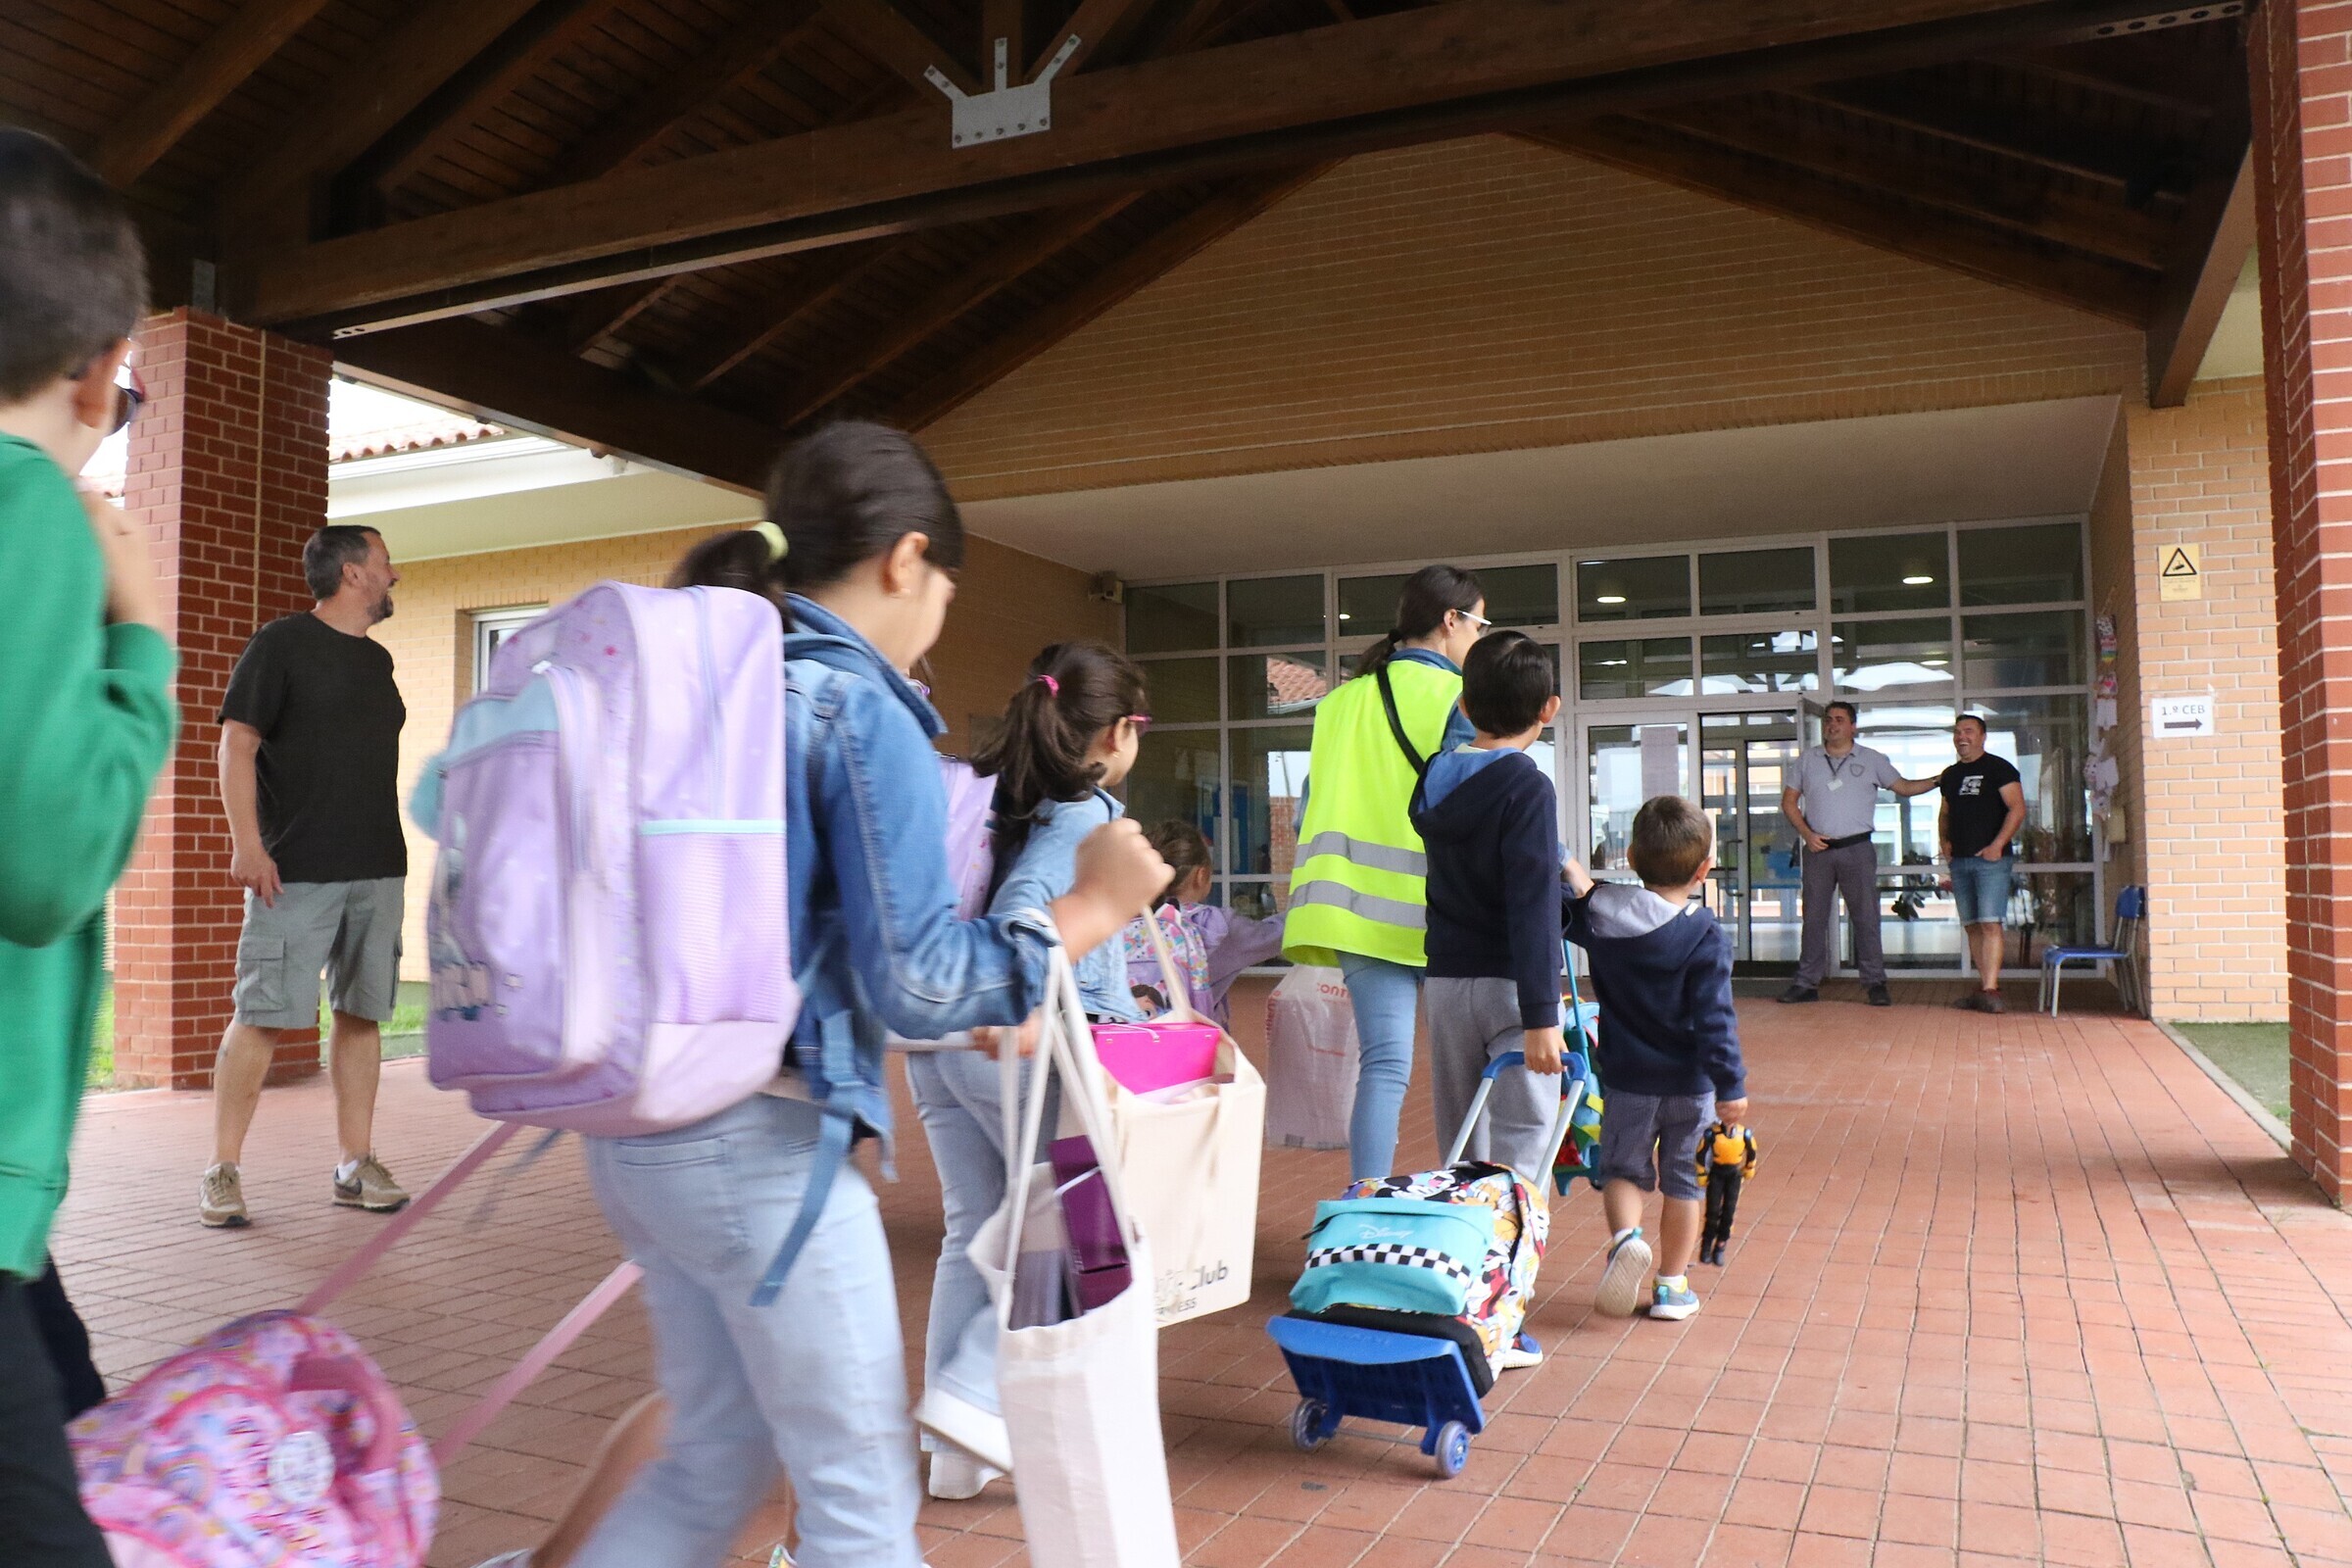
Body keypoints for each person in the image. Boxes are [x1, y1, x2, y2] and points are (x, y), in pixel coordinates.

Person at [564, 424, 1167, 1568]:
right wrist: (1092, 909)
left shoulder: (725, 679)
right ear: (906, 558)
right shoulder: (857, 705)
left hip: (636, 1123)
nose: (938, 612)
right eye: (946, 587)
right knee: (859, 1505)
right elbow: (921, 979)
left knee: (708, 1467)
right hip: (763, 1142)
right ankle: (956, 1413)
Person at [0, 126, 179, 1568]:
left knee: (72, 1410)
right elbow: (45, 860)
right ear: (101, 368)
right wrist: (140, 642)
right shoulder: (31, 513)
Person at [908, 639, 1149, 1500]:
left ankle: (954, 1455)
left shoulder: (1009, 798)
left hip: (944, 1048)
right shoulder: (1082, 816)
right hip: (1024, 1050)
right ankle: (977, 1396)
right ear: (1118, 732)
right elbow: (1021, 919)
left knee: (976, 1229)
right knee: (1082, 1230)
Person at [200, 522, 411, 1227]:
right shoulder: (281, 644)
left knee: (362, 1014)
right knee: (262, 1015)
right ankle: (222, 1170)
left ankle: (356, 1163)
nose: (394, 575)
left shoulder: (377, 662)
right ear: (353, 572)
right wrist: (246, 844)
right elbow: (236, 744)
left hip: (377, 867)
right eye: (385, 563)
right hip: (294, 871)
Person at [1284, 564, 1486, 1179]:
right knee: (1468, 1071)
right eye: (1479, 625)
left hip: (1352, 914)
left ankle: (1364, 1200)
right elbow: (1472, 803)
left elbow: (1306, 812)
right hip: (1442, 914)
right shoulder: (1460, 696)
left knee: (1384, 1067)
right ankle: (1471, 1203)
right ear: (1451, 620)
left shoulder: (1338, 703)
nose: (1480, 637)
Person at [1563, 797, 1746, 1323]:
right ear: (1704, 869)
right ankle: (1671, 1285)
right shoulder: (1704, 934)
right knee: (1684, 1182)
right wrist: (1731, 1084)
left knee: (1623, 1170)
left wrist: (1566, 863)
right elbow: (1715, 1019)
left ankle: (1626, 1242)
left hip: (1628, 1080)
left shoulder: (1603, 915)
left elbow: (1570, 899)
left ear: (1630, 857)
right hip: (1692, 1084)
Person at [1408, 631, 1567, 1186]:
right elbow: (1533, 903)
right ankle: (1511, 1237)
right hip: (1512, 987)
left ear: (1464, 706)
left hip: (1447, 983)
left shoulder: (1434, 778)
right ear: (1549, 709)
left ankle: (1462, 1235)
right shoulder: (1528, 786)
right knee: (1524, 1134)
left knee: (1460, 1134)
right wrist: (1542, 1014)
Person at [1776, 701, 1937, 1007]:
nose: (1832, 724)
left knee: (1866, 919)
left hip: (1857, 849)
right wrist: (1807, 834)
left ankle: (1875, 983)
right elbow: (1788, 802)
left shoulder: (1872, 759)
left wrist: (1939, 780)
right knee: (1813, 919)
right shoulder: (1808, 759)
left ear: (1853, 726)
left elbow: (1903, 787)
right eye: (1828, 719)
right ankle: (1806, 983)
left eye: (1839, 719)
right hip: (1818, 850)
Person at [1119, 820, 1283, 1028]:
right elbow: (1277, 936)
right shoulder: (1214, 926)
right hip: (1186, 1042)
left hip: (1124, 1039)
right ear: (1201, 875)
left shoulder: (1123, 920)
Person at [1939, 713, 2027, 1013]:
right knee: (1973, 926)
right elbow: (1945, 813)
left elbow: (2017, 809)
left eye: (1968, 731)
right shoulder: (1950, 775)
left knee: (1990, 923)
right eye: (1957, 732)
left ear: (1982, 736)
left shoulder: (1999, 768)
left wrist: (1997, 845)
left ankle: (1991, 989)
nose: (1961, 737)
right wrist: (1945, 842)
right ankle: (1983, 988)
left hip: (1991, 861)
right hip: (1960, 861)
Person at [1695, 1114, 1758, 1266]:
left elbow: (1752, 1151)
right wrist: (1702, 1172)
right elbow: (1701, 1154)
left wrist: (1749, 1167)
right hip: (1716, 1174)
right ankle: (1706, 1245)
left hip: (1733, 1175)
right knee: (1712, 1211)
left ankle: (1720, 1245)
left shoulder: (1745, 1134)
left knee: (1729, 1211)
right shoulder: (1712, 1134)